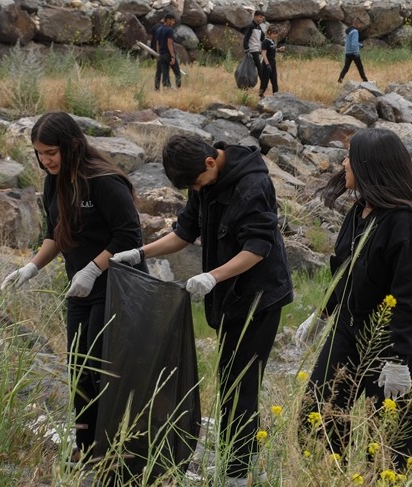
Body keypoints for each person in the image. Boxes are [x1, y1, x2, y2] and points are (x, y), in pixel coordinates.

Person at [111, 134, 293, 484]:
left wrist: (212, 276)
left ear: (211, 162)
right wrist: (141, 253)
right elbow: (185, 232)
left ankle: (237, 474)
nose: (196, 189)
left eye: (196, 183)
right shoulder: (203, 182)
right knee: (228, 382)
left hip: (259, 299)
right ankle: (232, 463)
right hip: (228, 298)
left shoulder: (253, 185)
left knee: (242, 387)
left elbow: (257, 247)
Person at [0, 111, 143, 463]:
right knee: (77, 366)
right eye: (39, 153)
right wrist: (31, 267)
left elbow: (129, 236)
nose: (45, 160)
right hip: (79, 288)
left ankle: (113, 447)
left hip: (115, 285)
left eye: (51, 152)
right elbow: (56, 234)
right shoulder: (54, 181)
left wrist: (94, 269)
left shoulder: (105, 180)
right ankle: (86, 446)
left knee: (100, 366)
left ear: (72, 145)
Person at [300, 127, 412, 472]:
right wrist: (322, 315)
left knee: (390, 444)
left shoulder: (404, 223)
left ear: (370, 166)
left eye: (351, 156)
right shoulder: (360, 211)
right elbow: (343, 273)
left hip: (393, 344)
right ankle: (333, 476)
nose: (344, 162)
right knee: (317, 417)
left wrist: (400, 360)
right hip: (349, 331)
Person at [152, 12, 179, 91]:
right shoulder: (169, 30)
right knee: (177, 72)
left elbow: (157, 43)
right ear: (167, 20)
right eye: (172, 21)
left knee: (163, 72)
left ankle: (162, 87)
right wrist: (172, 56)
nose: (173, 23)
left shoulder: (158, 29)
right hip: (168, 54)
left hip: (161, 54)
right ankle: (179, 88)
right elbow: (169, 43)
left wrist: (158, 53)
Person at [258, 22, 284, 98]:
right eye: (274, 33)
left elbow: (272, 49)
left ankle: (276, 96)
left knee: (274, 81)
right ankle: (261, 94)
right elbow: (263, 54)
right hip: (267, 64)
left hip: (273, 63)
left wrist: (278, 49)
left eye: (276, 34)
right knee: (264, 82)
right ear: (269, 32)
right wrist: (267, 64)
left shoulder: (272, 41)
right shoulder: (265, 42)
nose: (275, 35)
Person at [339, 17, 369, 83]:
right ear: (357, 23)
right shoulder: (355, 31)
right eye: (360, 24)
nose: (361, 26)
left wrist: (360, 45)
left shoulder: (349, 30)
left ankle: (340, 79)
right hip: (353, 53)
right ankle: (365, 80)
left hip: (348, 52)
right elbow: (354, 43)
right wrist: (356, 53)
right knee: (360, 67)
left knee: (346, 68)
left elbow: (349, 42)